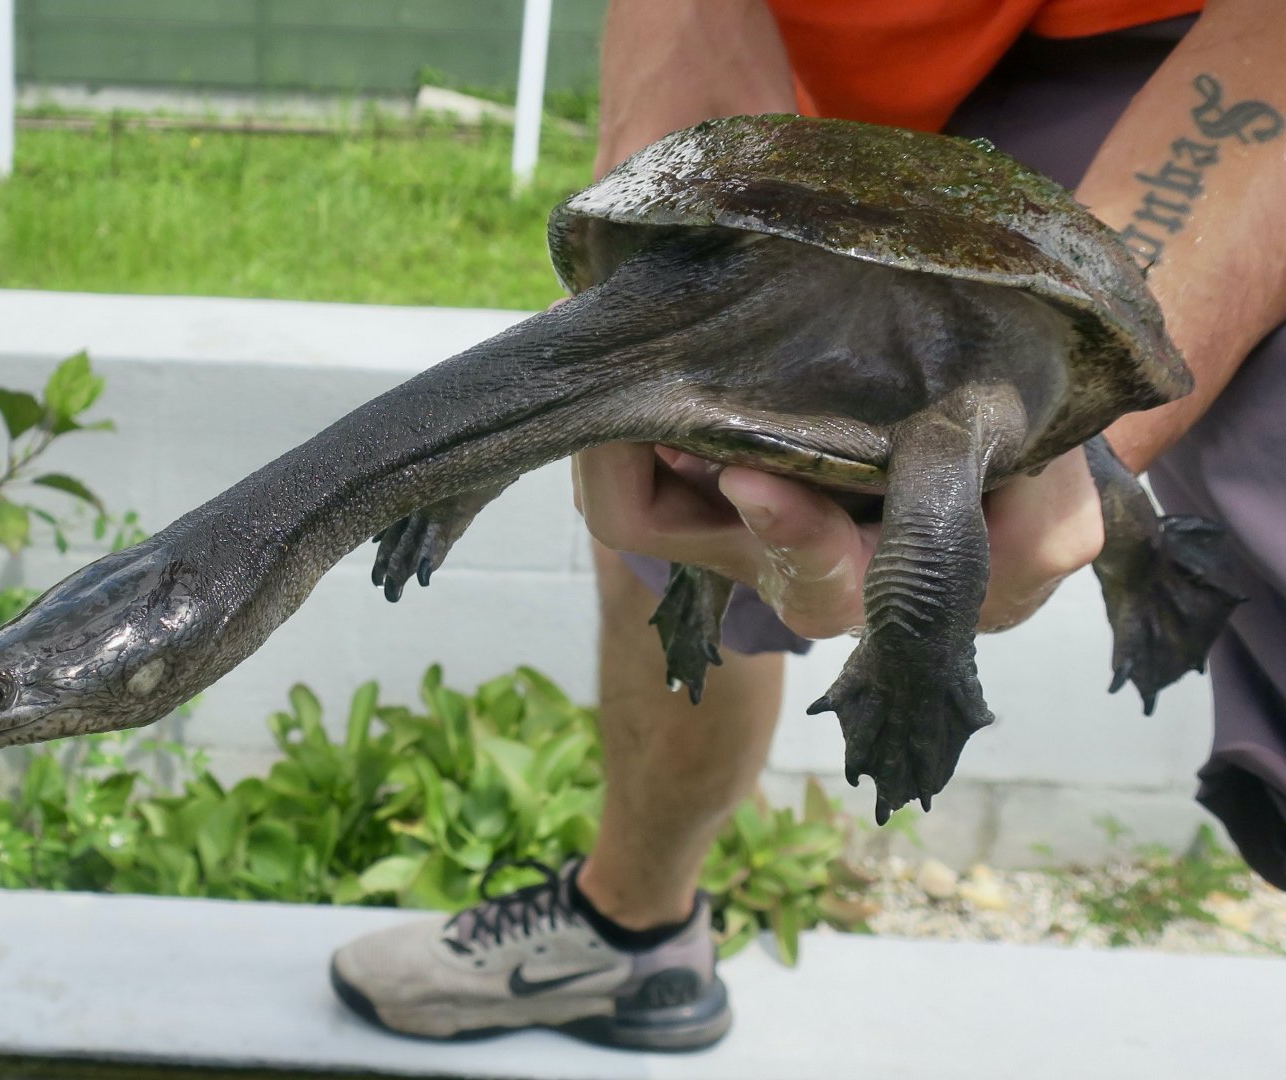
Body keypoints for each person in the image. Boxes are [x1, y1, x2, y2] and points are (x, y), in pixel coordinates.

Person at [331, 0, 1286, 1051]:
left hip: (1151, 39)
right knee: (670, 521)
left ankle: (1142, 561)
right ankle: (630, 931)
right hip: (799, 62)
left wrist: (1086, 414)